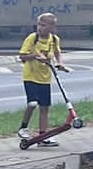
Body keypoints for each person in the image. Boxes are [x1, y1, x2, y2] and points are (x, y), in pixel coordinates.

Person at [17, 13, 68, 146]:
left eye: (44, 25)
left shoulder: (54, 39)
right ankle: (23, 127)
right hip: (31, 77)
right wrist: (35, 56)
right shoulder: (32, 38)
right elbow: (22, 56)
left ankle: (43, 136)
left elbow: (57, 52)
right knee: (32, 103)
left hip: (45, 78)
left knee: (44, 107)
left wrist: (60, 63)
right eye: (39, 24)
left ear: (52, 27)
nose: (40, 27)